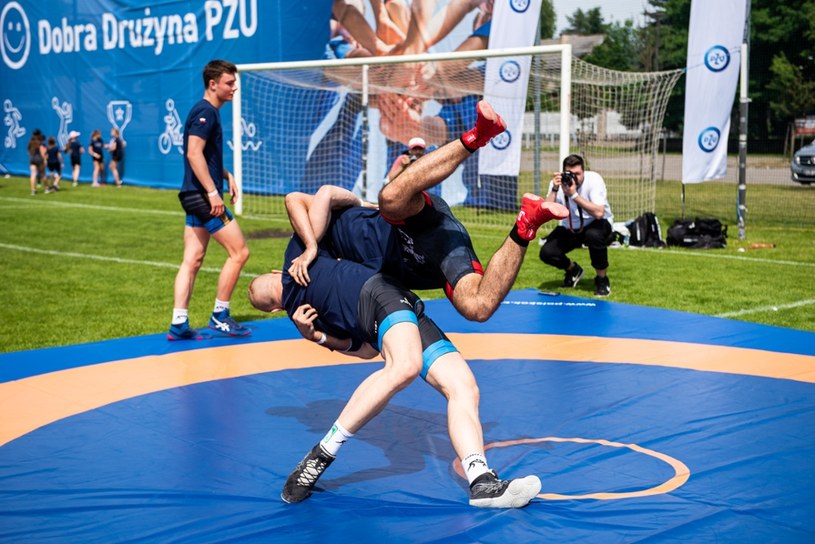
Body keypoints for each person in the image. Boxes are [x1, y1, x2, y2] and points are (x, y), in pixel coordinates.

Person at [247, 210, 542, 509]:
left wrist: (310, 245)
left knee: (463, 386)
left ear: (275, 272)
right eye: (270, 298)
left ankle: (481, 482)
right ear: (274, 311)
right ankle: (322, 453)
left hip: (386, 296)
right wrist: (317, 337)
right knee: (405, 366)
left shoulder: (296, 259)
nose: (275, 291)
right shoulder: (302, 316)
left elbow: (298, 199)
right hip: (385, 310)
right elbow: (364, 350)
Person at [375, 100, 569, 322]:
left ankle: (478, 136)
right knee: (477, 308)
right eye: (415, 149)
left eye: (420, 148)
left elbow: (332, 194)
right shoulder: (402, 159)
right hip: (423, 261)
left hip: (415, 221)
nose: (417, 151)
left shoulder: (339, 226)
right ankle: (526, 224)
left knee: (390, 199)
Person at [168, 59, 252, 340]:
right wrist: (213, 192)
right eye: (229, 83)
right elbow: (193, 153)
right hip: (204, 197)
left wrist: (226, 175)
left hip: (193, 195)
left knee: (192, 259)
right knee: (239, 252)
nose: (234, 88)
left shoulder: (205, 111)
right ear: (213, 84)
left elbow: (202, 156)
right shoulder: (206, 112)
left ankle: (179, 323)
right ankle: (220, 316)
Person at [539, 154, 614, 297]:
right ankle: (573, 270)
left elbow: (599, 213)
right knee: (547, 252)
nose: (574, 178)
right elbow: (546, 211)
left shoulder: (594, 180)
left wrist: (574, 195)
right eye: (570, 174)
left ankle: (602, 279)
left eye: (577, 174)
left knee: (594, 235)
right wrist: (555, 189)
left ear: (584, 172)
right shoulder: (558, 185)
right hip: (571, 226)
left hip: (597, 223)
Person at [27, 130, 46, 195]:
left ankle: (33, 190)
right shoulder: (40, 142)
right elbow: (42, 152)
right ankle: (47, 188)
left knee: (33, 174)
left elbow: (28, 151)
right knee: (43, 174)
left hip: (32, 159)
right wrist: (44, 159)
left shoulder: (30, 142)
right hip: (39, 159)